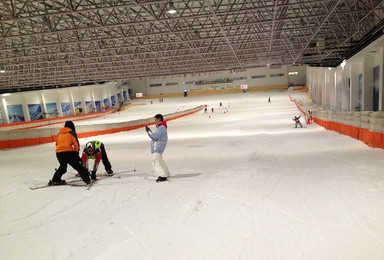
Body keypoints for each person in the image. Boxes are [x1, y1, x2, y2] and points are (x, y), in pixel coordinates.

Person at [49, 121, 90, 186]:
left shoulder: (59, 133)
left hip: (59, 153)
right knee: (78, 166)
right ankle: (87, 180)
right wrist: (76, 153)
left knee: (63, 167)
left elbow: (56, 143)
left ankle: (55, 180)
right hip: (69, 152)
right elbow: (76, 144)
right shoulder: (72, 133)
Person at [145, 114, 170, 182]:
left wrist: (148, 131)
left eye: (155, 119)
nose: (154, 121)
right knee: (160, 161)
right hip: (159, 147)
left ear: (159, 119)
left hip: (158, 147)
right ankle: (166, 173)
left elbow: (155, 137)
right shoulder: (161, 127)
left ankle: (162, 176)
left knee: (155, 162)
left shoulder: (161, 128)